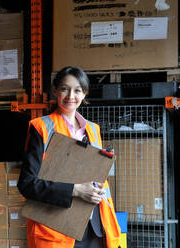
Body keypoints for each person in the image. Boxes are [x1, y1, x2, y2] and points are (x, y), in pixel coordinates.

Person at [17, 66, 121, 248]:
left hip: (94, 227)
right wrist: (77, 190)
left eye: (77, 90)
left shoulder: (93, 130)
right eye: (65, 89)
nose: (70, 96)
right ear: (56, 91)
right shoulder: (42, 128)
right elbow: (27, 184)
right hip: (57, 230)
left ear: (84, 94)